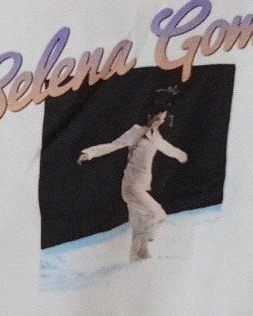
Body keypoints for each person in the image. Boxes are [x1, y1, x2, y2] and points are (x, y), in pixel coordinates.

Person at [78, 109, 188, 261]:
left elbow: (169, 149)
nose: (159, 122)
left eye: (162, 119)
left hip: (141, 186)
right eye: (157, 118)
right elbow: (113, 145)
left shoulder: (155, 137)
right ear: (150, 116)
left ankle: (138, 259)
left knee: (138, 226)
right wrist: (90, 153)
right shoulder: (136, 131)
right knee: (158, 214)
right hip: (132, 186)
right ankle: (145, 243)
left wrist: (183, 157)